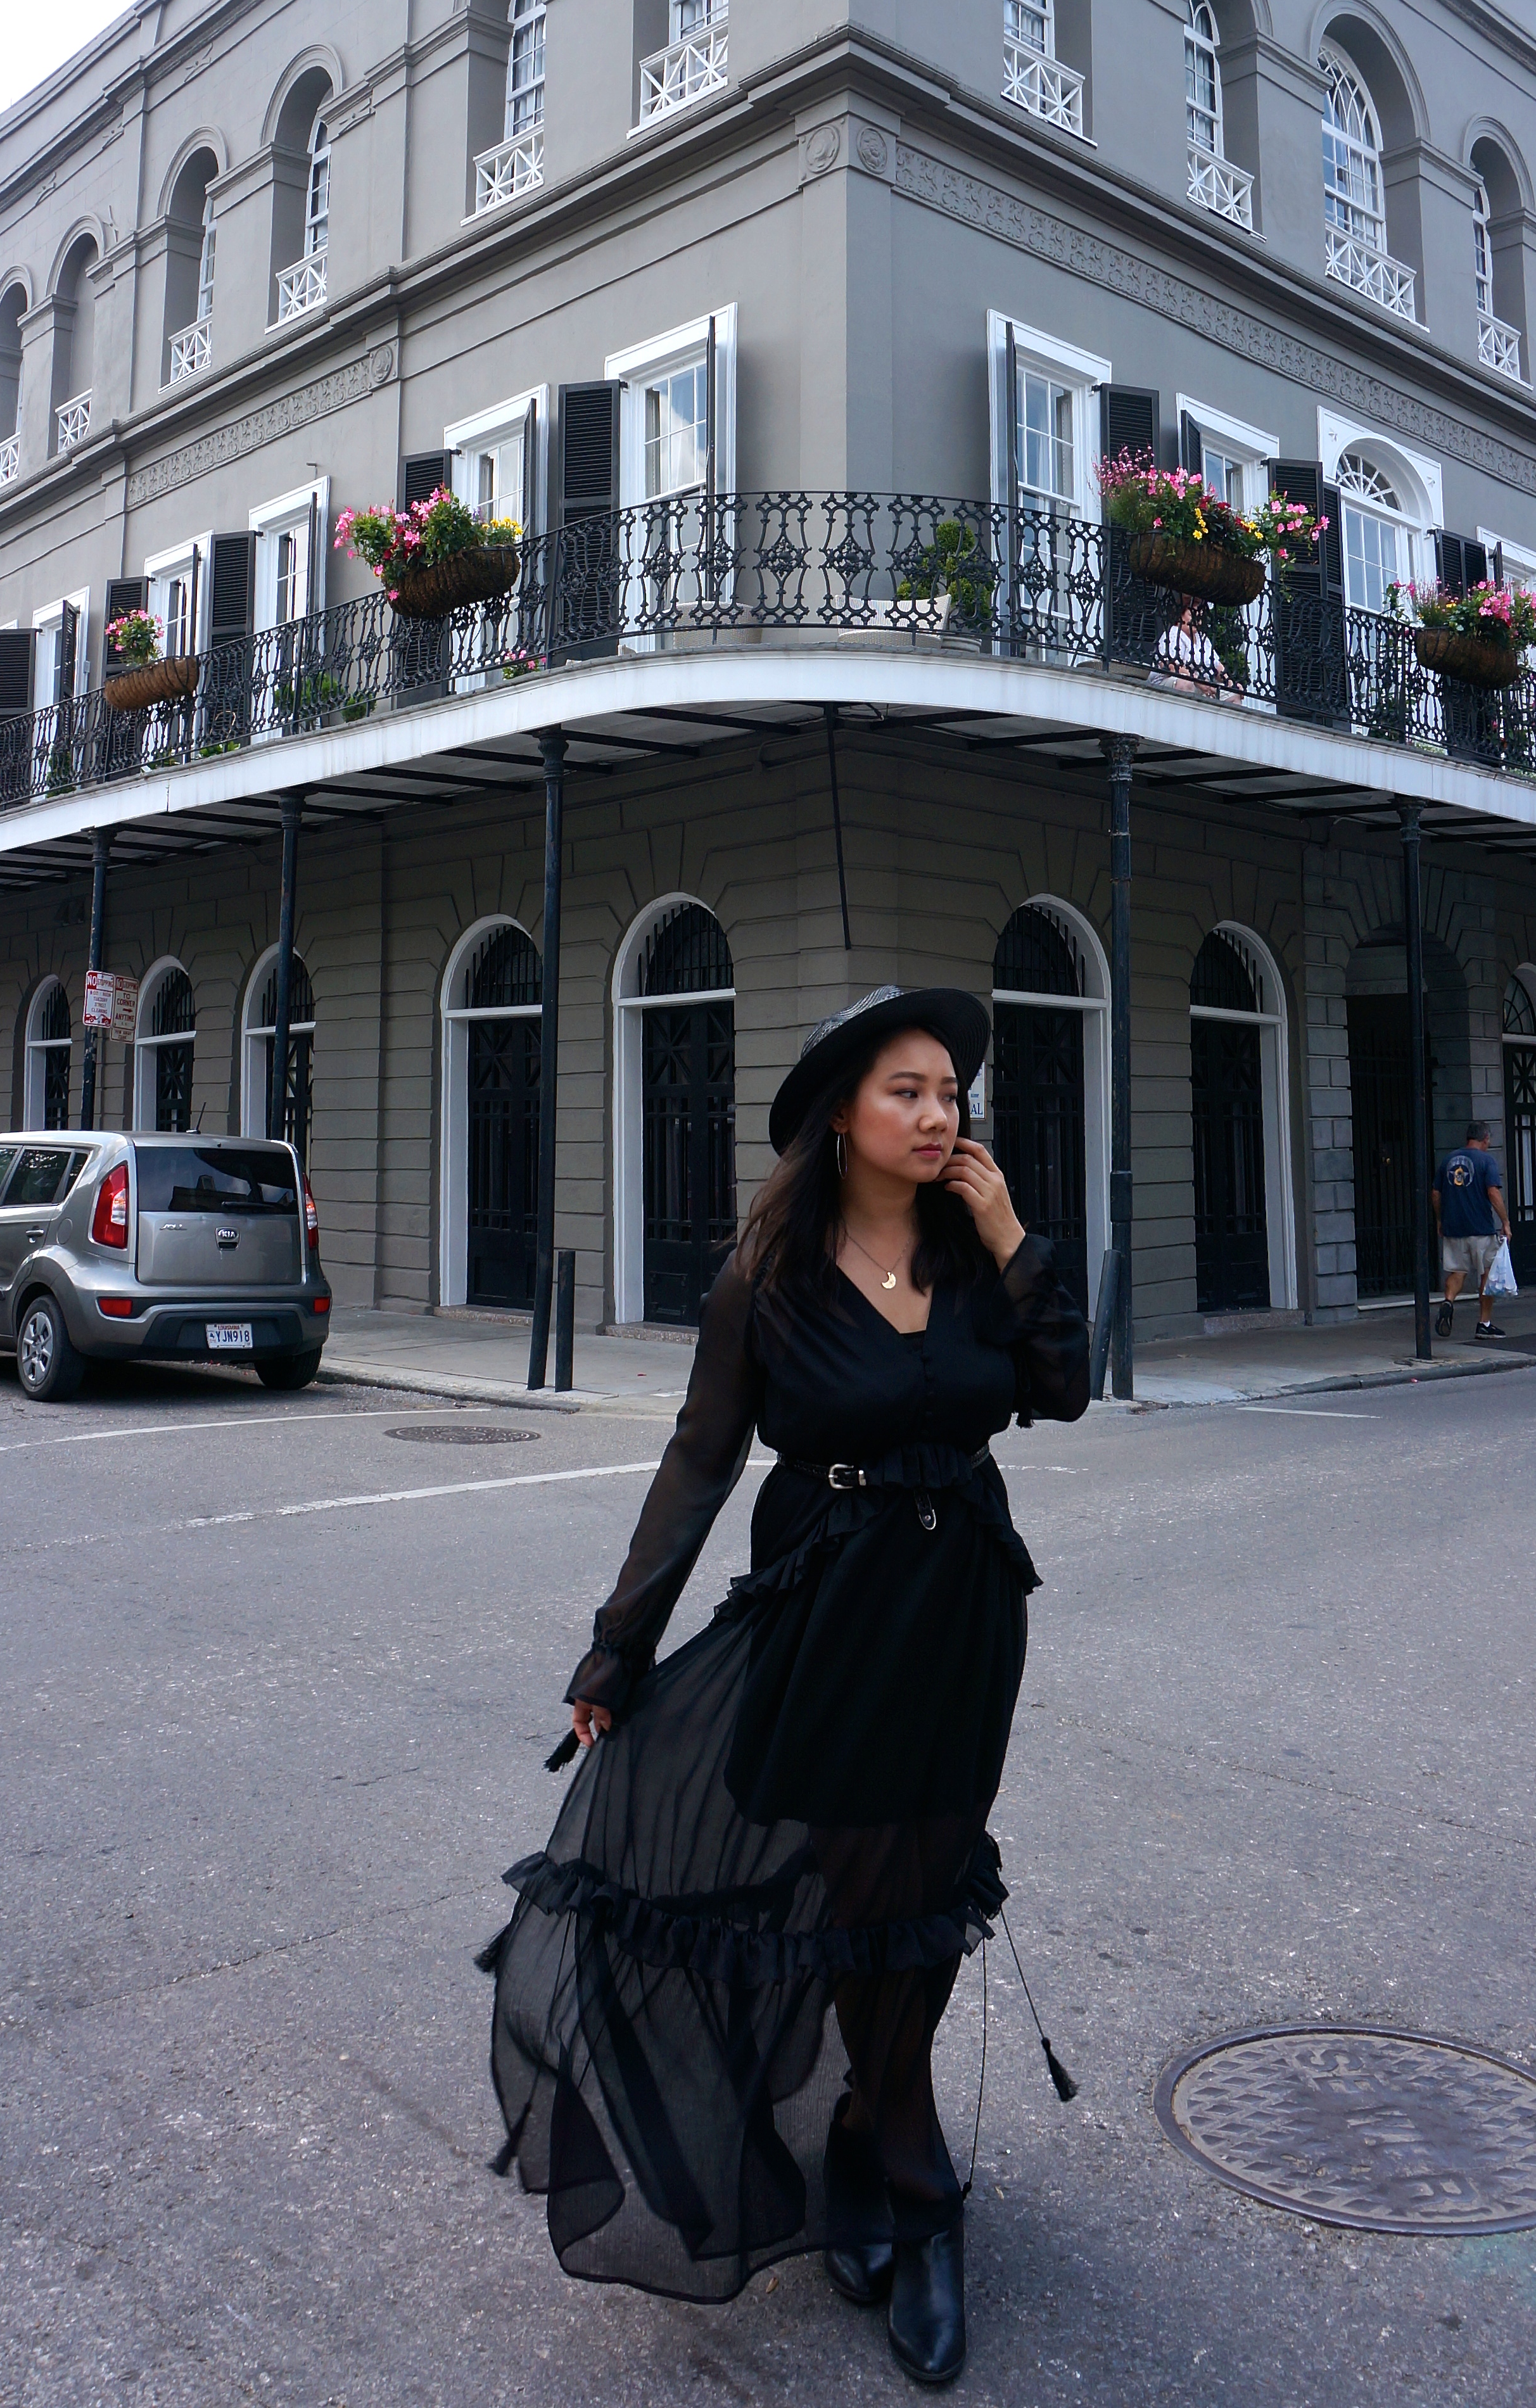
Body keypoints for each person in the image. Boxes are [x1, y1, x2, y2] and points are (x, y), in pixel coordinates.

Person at [482, 984, 1089, 2386]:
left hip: (962, 1618)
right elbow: (698, 1459)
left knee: (924, 1896)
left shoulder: (974, 1243)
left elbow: (1056, 1386)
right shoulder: (771, 1274)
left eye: (951, 1093)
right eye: (909, 1092)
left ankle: (873, 2134)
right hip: (826, 1618)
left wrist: (1012, 1237)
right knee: (859, 1891)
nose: (940, 1116)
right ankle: (917, 2178)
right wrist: (617, 1645)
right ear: (841, 1115)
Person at [1433, 1115, 1511, 1341]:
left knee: (1457, 1272)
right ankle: (1484, 1324)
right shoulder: (1487, 1162)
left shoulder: (1448, 1159)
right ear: (1485, 1139)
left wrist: (1440, 1220)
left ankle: (1448, 1302)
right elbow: (1493, 1193)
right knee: (1487, 1274)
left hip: (1454, 1227)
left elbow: (1436, 1193)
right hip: (1480, 1229)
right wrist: (1505, 1222)